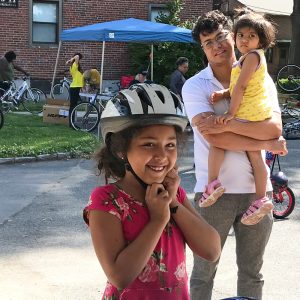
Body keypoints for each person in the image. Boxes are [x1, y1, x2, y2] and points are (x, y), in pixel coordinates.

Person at [182, 10, 287, 300]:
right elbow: (211, 134)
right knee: (204, 273)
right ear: (202, 49)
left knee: (252, 273)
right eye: (208, 43)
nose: (217, 46)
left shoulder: (261, 78)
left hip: (257, 193)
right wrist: (264, 142)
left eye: (220, 37)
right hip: (213, 193)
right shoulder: (195, 86)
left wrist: (234, 127)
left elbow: (275, 127)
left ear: (234, 35)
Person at [83, 83, 221, 299]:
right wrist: (158, 220)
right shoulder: (107, 200)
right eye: (148, 145)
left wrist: (173, 203)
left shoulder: (174, 195)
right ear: (120, 149)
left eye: (170, 145)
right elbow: (120, 276)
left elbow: (211, 251)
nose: (162, 155)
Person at [200, 9, 287, 226]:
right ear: (235, 35)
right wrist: (222, 94)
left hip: (248, 114)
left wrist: (230, 114)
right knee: (255, 156)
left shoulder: (252, 57)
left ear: (261, 39)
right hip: (253, 115)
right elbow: (237, 86)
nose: (245, 40)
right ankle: (261, 199)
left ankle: (213, 184)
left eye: (251, 36)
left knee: (218, 142)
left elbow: (240, 87)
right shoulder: (247, 60)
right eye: (241, 35)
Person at [66, 53, 84, 127]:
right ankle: (71, 123)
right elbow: (77, 56)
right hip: (74, 88)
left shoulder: (75, 67)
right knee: (73, 106)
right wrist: (71, 59)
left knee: (74, 106)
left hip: (76, 87)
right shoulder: (74, 65)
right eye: (80, 60)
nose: (80, 61)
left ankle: (72, 123)